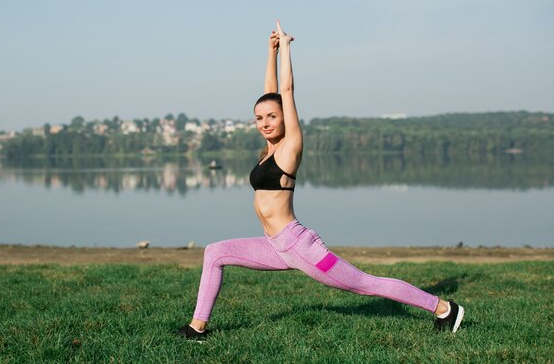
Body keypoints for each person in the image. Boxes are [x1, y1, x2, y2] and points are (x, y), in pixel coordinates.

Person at [178, 21, 464, 340]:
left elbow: (284, 93)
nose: (265, 123)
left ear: (286, 117)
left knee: (365, 283)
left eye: (272, 117)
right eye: (259, 118)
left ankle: (443, 308)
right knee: (214, 252)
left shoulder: (290, 147)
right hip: (275, 246)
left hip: (299, 246)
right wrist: (269, 53)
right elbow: (271, 94)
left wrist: (286, 48)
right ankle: (197, 328)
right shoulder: (269, 148)